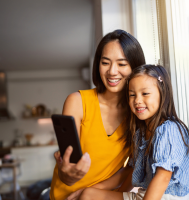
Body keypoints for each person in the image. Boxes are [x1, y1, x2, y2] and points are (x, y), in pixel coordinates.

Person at [49, 29, 146, 200]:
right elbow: (68, 168)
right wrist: (68, 175)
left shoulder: (137, 112)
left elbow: (133, 169)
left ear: (135, 68)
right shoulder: (77, 102)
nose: (112, 71)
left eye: (122, 64)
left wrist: (91, 192)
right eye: (105, 62)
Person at [78, 65, 189, 200]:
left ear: (163, 93)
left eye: (145, 94)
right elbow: (132, 172)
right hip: (142, 195)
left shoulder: (169, 130)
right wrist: (116, 194)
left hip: (165, 196)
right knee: (88, 195)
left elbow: (163, 177)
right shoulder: (140, 134)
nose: (137, 100)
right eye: (132, 95)